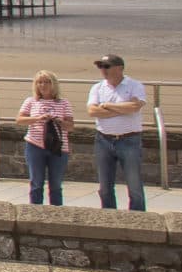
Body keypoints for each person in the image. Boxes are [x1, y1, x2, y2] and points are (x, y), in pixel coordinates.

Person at [87, 54, 149, 210]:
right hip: (103, 140)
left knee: (134, 185)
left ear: (119, 68)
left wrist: (107, 105)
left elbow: (135, 107)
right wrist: (122, 109)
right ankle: (109, 217)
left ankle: (138, 219)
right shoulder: (97, 87)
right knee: (104, 187)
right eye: (101, 66)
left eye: (106, 66)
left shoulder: (134, 85)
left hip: (129, 140)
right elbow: (92, 111)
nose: (103, 70)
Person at [14, 71, 74, 206]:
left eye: (46, 82)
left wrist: (58, 121)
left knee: (56, 184)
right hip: (35, 145)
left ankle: (56, 213)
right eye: (40, 82)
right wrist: (38, 119)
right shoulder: (31, 101)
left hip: (58, 146)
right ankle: (35, 211)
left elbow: (70, 127)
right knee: (36, 182)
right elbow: (19, 120)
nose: (43, 85)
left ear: (53, 84)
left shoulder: (64, 103)